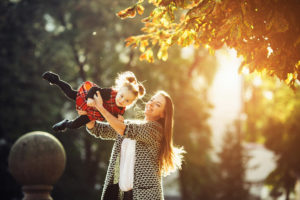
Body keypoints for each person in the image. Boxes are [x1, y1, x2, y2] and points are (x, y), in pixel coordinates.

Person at [82, 90, 185, 200]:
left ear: (163, 114)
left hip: (143, 197)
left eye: (157, 105)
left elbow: (124, 129)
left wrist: (100, 107)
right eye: (151, 100)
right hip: (119, 195)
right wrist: (85, 111)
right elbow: (99, 129)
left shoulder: (155, 130)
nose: (151, 104)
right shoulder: (131, 125)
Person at [42, 71, 145, 132]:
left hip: (92, 114)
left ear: (130, 103)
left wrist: (119, 120)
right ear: (118, 90)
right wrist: (90, 98)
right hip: (87, 99)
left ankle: (65, 124)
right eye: (121, 96)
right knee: (70, 93)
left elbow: (112, 120)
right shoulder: (109, 93)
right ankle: (56, 80)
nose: (122, 100)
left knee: (75, 125)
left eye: (127, 100)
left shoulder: (121, 111)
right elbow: (94, 89)